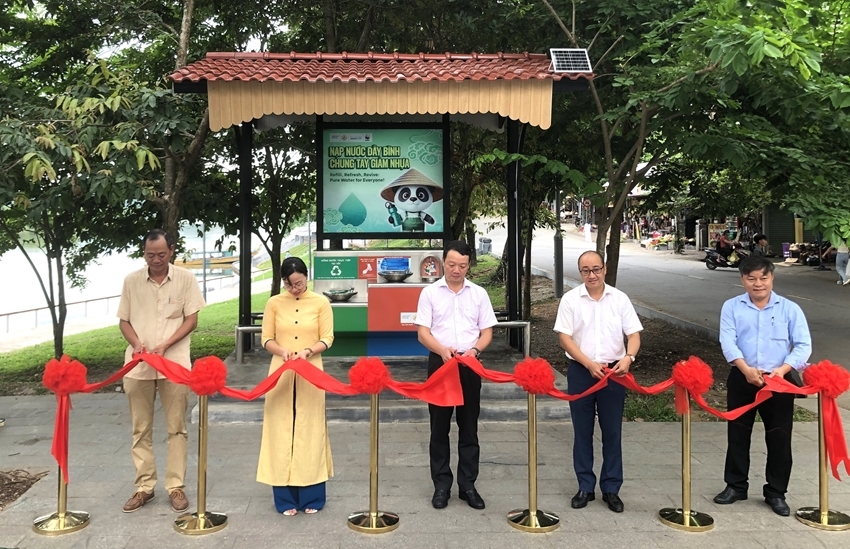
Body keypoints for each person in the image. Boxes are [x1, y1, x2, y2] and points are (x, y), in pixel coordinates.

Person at [713, 256, 811, 516]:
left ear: (772, 278)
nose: (758, 284)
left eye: (763, 278)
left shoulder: (789, 309)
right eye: (751, 278)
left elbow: (803, 345)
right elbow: (728, 341)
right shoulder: (731, 307)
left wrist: (783, 369)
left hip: (778, 381)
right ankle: (735, 486)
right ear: (742, 280)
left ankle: (776, 492)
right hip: (743, 377)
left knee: (779, 437)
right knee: (737, 433)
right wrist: (745, 369)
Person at [117, 229, 205, 513]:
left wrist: (165, 344)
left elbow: (191, 320)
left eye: (161, 254)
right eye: (150, 254)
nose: (156, 260)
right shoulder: (131, 281)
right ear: (144, 253)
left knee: (176, 427)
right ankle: (144, 486)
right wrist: (137, 344)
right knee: (139, 428)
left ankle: (175, 486)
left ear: (172, 251)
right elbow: (124, 321)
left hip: (174, 364)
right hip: (138, 365)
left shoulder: (185, 279)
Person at [553, 250, 642, 513]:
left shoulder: (620, 298)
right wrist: (588, 363)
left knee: (612, 431)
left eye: (596, 269)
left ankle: (612, 488)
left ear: (604, 269)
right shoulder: (571, 299)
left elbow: (634, 334)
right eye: (585, 271)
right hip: (582, 371)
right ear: (579, 272)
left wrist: (629, 358)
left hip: (615, 373)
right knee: (582, 431)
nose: (591, 275)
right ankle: (585, 486)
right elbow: (565, 338)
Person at [415, 240, 497, 510]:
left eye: (462, 265)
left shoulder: (479, 294)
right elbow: (423, 333)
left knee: (469, 426)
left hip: (469, 364)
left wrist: (475, 350)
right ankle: (441, 486)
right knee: (439, 427)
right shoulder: (429, 293)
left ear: (469, 265)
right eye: (451, 264)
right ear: (442, 262)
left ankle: (468, 485)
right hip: (441, 364)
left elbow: (486, 332)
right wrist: (441, 349)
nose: (456, 270)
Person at [257, 257, 334, 516]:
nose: (295, 289)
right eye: (290, 286)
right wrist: (283, 351)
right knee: (279, 429)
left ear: (306, 277)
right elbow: (266, 338)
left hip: (311, 369)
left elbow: (328, 338)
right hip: (281, 369)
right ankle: (285, 499)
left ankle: (312, 495)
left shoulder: (321, 302)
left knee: (310, 429)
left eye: (299, 283)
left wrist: (310, 351)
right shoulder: (274, 303)